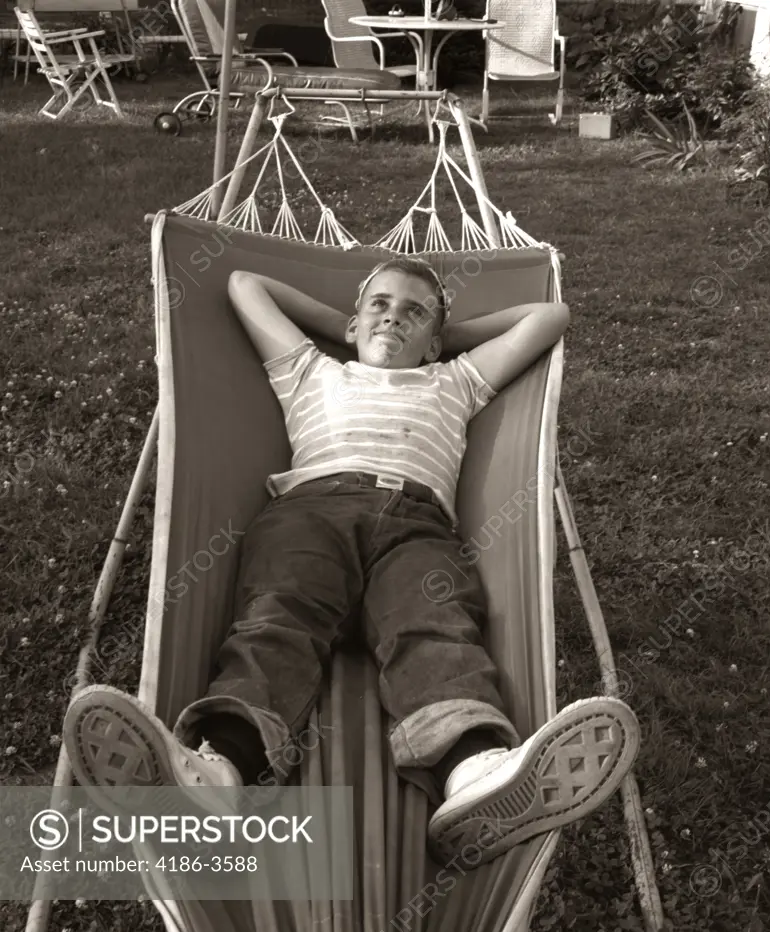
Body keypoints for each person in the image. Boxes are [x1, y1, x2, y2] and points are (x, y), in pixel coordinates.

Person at [63, 257, 640, 867]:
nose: (394, 316)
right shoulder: (308, 371)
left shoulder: (457, 380)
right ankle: (221, 773)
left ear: (437, 340)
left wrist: (442, 337)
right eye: (380, 305)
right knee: (277, 618)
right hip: (312, 512)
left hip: (417, 527)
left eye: (414, 312)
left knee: (434, 626)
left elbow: (551, 316)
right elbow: (245, 284)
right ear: (352, 323)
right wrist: (353, 326)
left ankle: (473, 774)